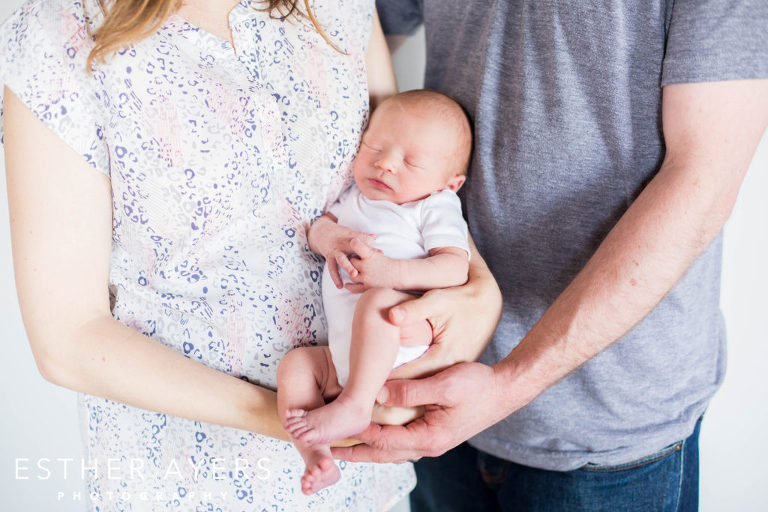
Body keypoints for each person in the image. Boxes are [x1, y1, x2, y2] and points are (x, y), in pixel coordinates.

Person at [1, 0, 505, 509]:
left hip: (364, 482)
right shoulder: (59, 27)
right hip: (185, 477)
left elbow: (410, 185)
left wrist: (480, 298)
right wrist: (310, 422)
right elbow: (68, 339)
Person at [332, 1, 768, 511]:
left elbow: (703, 181)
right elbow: (349, 20)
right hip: (427, 370)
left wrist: (508, 385)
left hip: (601, 423)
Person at [277, 89, 472, 494]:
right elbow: (318, 228)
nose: (385, 163)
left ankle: (355, 405)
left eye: (411, 161)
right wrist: (329, 237)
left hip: (402, 338)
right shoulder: (356, 195)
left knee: (379, 300)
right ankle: (317, 457)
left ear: (449, 183)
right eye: (374, 147)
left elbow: (454, 267)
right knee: (296, 367)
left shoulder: (433, 206)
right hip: (345, 356)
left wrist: (391, 272)